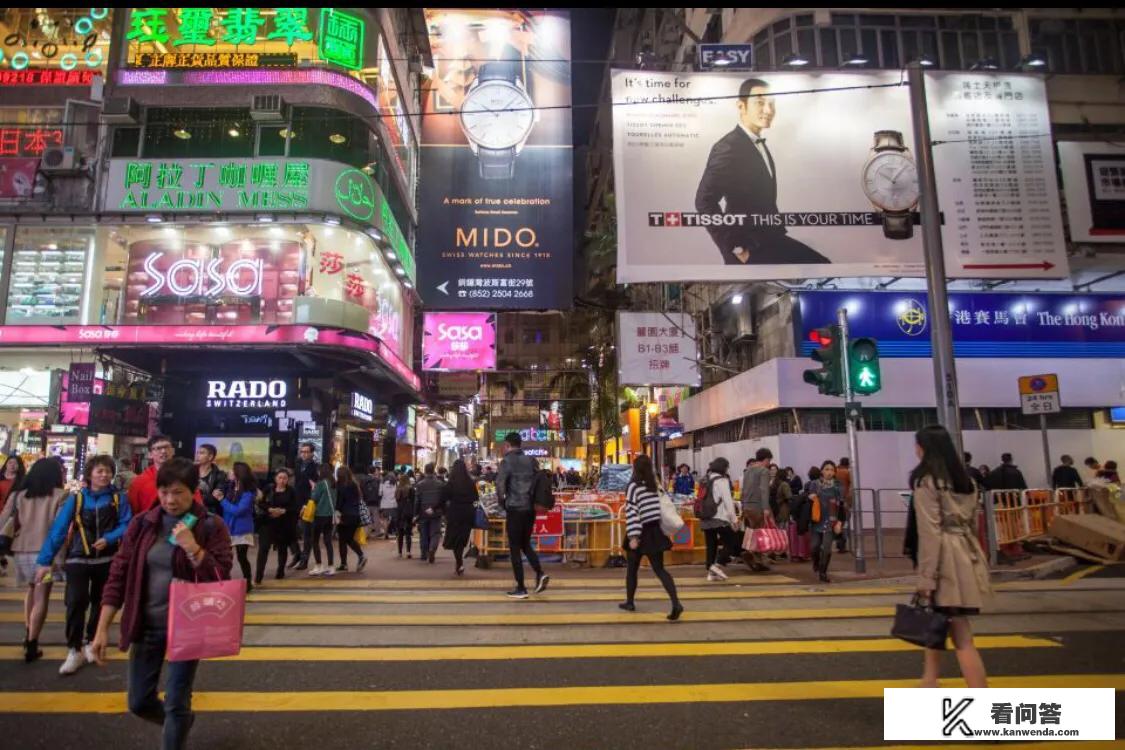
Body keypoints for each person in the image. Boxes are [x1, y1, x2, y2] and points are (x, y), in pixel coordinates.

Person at [90, 457, 233, 750]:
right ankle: (178, 722)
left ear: (193, 491)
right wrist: (102, 628)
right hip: (146, 624)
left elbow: (221, 574)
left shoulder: (210, 525)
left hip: (188, 625)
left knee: (177, 700)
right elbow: (118, 574)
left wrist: (193, 548)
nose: (169, 499)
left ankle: (176, 725)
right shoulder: (143, 524)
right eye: (164, 491)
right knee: (139, 701)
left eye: (178, 492)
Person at [695, 77, 829, 265]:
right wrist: (736, 248)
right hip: (749, 247)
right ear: (741, 106)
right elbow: (704, 202)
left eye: (771, 104)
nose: (768, 110)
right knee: (820, 266)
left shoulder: (756, 143)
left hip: (771, 238)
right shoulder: (728, 147)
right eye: (760, 103)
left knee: (821, 265)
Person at [910, 425, 992, 688]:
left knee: (961, 636)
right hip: (966, 553)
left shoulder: (927, 481)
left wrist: (926, 578)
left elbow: (930, 532)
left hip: (945, 559)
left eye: (917, 445)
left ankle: (980, 695)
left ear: (923, 448)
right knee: (937, 623)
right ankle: (929, 680)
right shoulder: (966, 480)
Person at [35, 455, 132, 675]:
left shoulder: (119, 499)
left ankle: (91, 642)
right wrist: (44, 561)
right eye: (99, 471)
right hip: (77, 558)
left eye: (108, 471)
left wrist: (109, 538)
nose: (104, 475)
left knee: (101, 602)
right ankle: (74, 649)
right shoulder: (76, 499)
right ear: (89, 474)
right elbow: (59, 529)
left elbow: (127, 523)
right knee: (76, 601)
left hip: (108, 559)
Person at [0, 458, 67, 661]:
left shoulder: (19, 495)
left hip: (21, 551)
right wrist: (61, 557)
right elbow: (60, 528)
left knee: (30, 589)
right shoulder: (61, 495)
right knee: (41, 597)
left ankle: (28, 631)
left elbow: (3, 519)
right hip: (45, 555)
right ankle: (32, 641)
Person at [620, 455, 682, 620]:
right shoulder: (654, 485)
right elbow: (655, 510)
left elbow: (632, 512)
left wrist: (633, 536)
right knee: (660, 569)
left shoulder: (633, 486)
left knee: (632, 570)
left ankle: (630, 602)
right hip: (654, 531)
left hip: (639, 531)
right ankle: (676, 602)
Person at [496, 432, 549, 599]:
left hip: (515, 509)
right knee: (525, 543)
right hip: (530, 509)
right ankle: (540, 573)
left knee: (514, 547)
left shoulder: (507, 461)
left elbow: (500, 485)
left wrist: (502, 503)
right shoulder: (531, 461)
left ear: (507, 445)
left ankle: (521, 587)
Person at [700, 457, 741, 582]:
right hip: (719, 517)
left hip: (706, 516)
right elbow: (728, 501)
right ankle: (717, 565)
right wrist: (734, 520)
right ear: (723, 467)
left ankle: (711, 573)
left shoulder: (704, 479)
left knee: (711, 545)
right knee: (732, 542)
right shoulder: (722, 480)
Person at [255, 468, 298, 584]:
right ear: (275, 478)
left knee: (282, 548)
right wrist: (269, 509)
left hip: (283, 524)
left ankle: (280, 570)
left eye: (285, 478)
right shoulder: (269, 489)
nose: (282, 480)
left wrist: (284, 511)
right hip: (267, 523)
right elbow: (260, 502)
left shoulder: (291, 491)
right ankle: (259, 575)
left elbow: (295, 507)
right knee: (263, 548)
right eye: (280, 478)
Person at [220, 462, 257, 593]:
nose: (229, 473)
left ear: (238, 474)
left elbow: (238, 510)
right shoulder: (230, 487)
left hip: (242, 529)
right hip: (228, 527)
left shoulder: (248, 492)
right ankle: (223, 581)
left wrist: (222, 500)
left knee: (242, 557)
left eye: (232, 471)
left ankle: (248, 583)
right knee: (225, 557)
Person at [441, 459, 479, 577]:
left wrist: (444, 512)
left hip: (454, 513)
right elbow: (476, 498)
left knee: (455, 538)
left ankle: (459, 562)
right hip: (468, 513)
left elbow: (444, 498)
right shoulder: (470, 482)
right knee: (463, 538)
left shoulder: (450, 483)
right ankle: (459, 562)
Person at [809, 460, 845, 583]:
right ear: (821, 471)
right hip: (816, 520)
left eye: (831, 470)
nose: (829, 472)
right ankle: (816, 563)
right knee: (814, 547)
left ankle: (823, 572)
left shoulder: (838, 485)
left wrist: (840, 521)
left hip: (831, 520)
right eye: (826, 469)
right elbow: (809, 497)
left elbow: (841, 505)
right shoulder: (814, 484)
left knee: (827, 548)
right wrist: (810, 497)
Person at [741, 448, 772, 572]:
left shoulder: (748, 470)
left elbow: (744, 489)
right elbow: (764, 490)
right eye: (769, 460)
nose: (769, 463)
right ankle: (751, 554)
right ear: (766, 459)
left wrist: (744, 505)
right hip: (758, 506)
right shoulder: (763, 471)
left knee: (752, 532)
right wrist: (765, 508)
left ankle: (758, 561)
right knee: (760, 534)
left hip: (747, 506)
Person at [128, 435, 176, 515]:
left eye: (167, 447)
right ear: (150, 454)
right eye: (158, 448)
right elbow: (132, 513)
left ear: (173, 451)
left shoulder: (184, 476)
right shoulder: (139, 482)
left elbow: (197, 509)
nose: (163, 451)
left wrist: (186, 525)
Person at [289, 442, 319, 571]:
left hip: (308, 503)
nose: (304, 454)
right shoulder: (298, 465)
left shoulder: (315, 468)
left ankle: (304, 560)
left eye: (307, 452)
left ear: (312, 453)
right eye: (302, 451)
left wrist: (307, 503)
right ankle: (297, 554)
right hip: (296, 502)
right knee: (290, 530)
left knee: (307, 533)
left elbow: (315, 487)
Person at [334, 466, 368, 572]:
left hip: (344, 515)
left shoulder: (340, 485)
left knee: (344, 540)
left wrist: (336, 511)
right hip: (355, 515)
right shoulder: (354, 484)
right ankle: (346, 562)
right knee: (347, 538)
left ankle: (357, 557)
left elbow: (339, 501)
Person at [307, 463, 337, 576]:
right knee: (328, 541)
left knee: (314, 540)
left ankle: (319, 565)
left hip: (319, 514)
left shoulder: (320, 484)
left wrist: (313, 488)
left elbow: (314, 498)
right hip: (330, 515)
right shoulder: (333, 483)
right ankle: (331, 566)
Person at [414, 464, 445, 564]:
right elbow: (442, 500)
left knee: (423, 533)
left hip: (423, 512)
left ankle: (423, 554)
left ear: (425, 471)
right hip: (436, 512)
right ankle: (432, 549)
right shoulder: (440, 484)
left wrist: (415, 513)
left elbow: (417, 500)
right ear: (433, 471)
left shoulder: (420, 484)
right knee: (435, 533)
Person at [194, 444, 227, 517]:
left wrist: (194, 496)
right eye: (197, 453)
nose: (197, 455)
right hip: (191, 512)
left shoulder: (220, 475)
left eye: (201, 453)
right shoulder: (191, 471)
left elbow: (214, 499)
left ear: (210, 457)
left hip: (209, 514)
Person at [395, 474, 415, 559]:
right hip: (408, 512)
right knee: (408, 533)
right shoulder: (411, 489)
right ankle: (408, 552)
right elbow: (414, 501)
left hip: (399, 512)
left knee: (400, 533)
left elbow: (396, 500)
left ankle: (400, 552)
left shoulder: (398, 489)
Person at [835, 457, 852, 553]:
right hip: (844, 500)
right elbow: (850, 487)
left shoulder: (835, 471)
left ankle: (839, 544)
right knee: (844, 522)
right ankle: (842, 545)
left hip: (835, 500)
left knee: (838, 522)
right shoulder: (847, 472)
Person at [379, 471, 398, 539]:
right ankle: (395, 532)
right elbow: (397, 494)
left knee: (385, 519)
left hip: (384, 503)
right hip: (393, 503)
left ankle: (385, 533)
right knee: (393, 519)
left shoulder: (382, 483)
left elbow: (380, 493)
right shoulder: (395, 483)